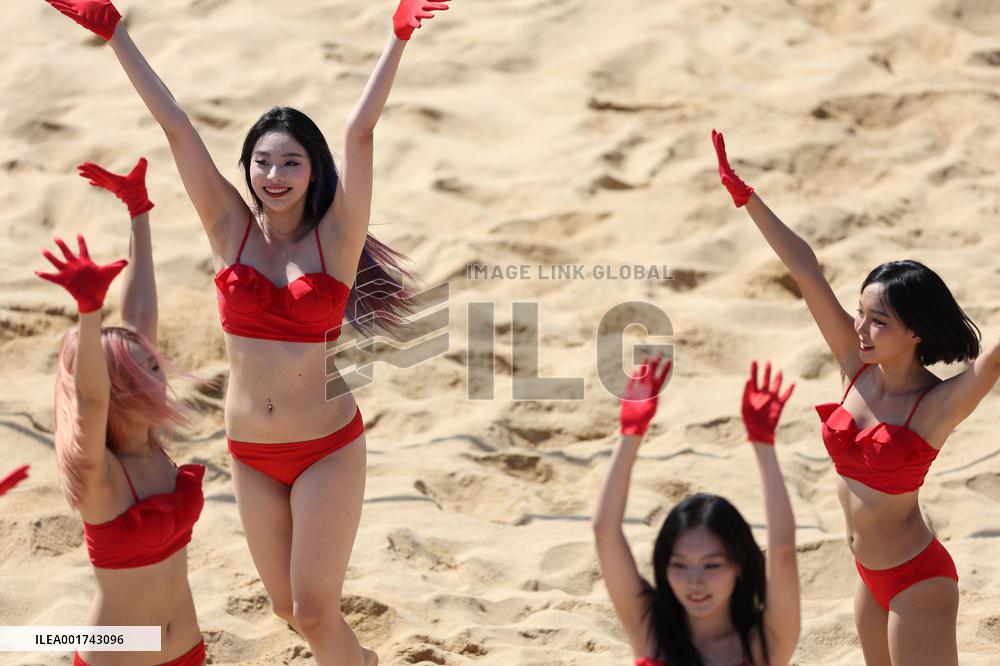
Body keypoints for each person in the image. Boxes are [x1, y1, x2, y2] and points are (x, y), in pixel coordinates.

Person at [40, 2, 448, 663]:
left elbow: (360, 132)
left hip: (324, 447)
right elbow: (175, 129)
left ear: (314, 170)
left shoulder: (335, 240)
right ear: (248, 168)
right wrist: (115, 33)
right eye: (262, 162)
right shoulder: (229, 227)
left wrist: (396, 38)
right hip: (249, 454)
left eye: (291, 163)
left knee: (314, 610)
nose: (274, 176)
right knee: (288, 610)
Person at [711, 129, 1000, 665]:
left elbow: (994, 358)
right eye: (861, 313)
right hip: (869, 577)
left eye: (879, 321)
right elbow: (804, 268)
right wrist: (747, 198)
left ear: (915, 332)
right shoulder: (854, 364)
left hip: (919, 582)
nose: (861, 328)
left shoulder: (937, 405)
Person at [36, 158, 206, 666]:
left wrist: (139, 211)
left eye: (155, 364)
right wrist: (89, 314)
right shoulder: (98, 477)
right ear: (119, 392)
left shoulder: (152, 443)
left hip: (188, 652)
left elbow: (139, 321)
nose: (161, 373)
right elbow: (89, 398)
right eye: (146, 371)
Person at [593, 357, 800, 666]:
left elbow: (782, 549)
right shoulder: (650, 628)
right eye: (679, 565)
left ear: (739, 566)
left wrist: (763, 444)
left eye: (712, 565)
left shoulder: (764, 643)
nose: (695, 582)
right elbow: (604, 531)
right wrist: (630, 433)